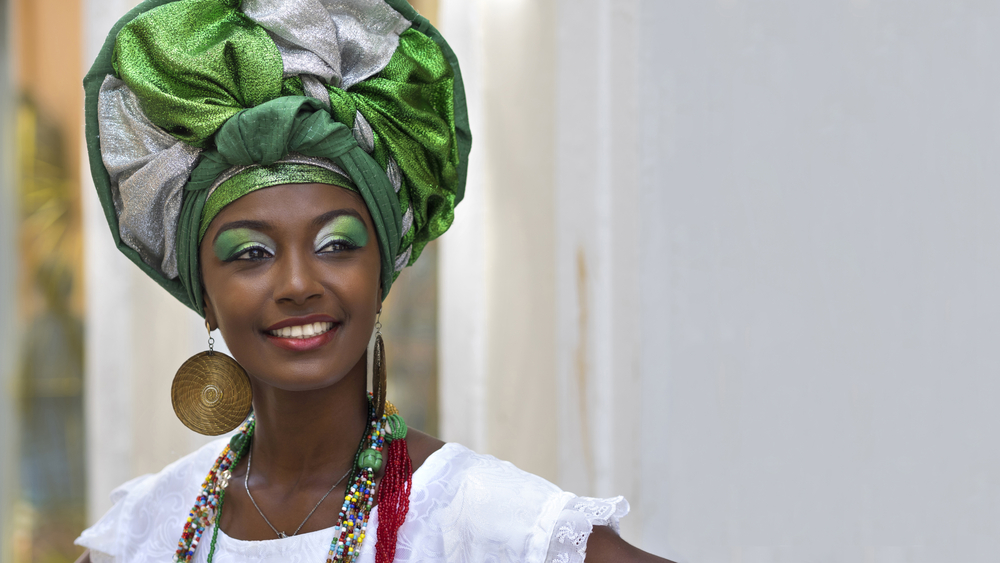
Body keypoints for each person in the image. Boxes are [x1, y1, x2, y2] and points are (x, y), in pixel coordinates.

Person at [74, 0, 674, 561]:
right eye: (250, 254)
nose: (297, 282)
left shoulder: (481, 521)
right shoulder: (150, 527)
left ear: (380, 275)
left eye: (336, 244)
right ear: (203, 294)